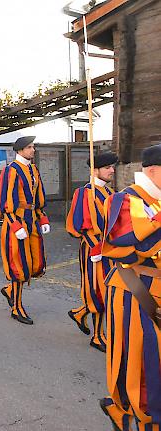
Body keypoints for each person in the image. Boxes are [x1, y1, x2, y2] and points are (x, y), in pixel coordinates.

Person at [98, 144, 161, 431]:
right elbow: (130, 243)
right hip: (136, 288)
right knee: (142, 362)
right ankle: (129, 412)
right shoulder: (125, 199)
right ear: (153, 170)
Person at [0, 136, 50, 325]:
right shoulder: (11, 171)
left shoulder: (33, 169)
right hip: (16, 221)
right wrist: (14, 224)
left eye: (33, 146)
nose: (33, 150)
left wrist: (42, 217)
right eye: (29, 147)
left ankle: (10, 291)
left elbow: (38, 195)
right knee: (19, 266)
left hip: (32, 220)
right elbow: (5, 200)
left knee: (34, 263)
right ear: (20, 150)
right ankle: (16, 307)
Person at [66, 152, 118, 353]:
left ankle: (80, 313)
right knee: (97, 290)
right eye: (107, 167)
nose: (112, 170)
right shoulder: (85, 193)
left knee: (107, 288)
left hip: (108, 250)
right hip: (93, 249)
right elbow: (78, 225)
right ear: (95, 170)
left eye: (112, 167)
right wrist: (95, 246)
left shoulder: (109, 193)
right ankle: (97, 336)